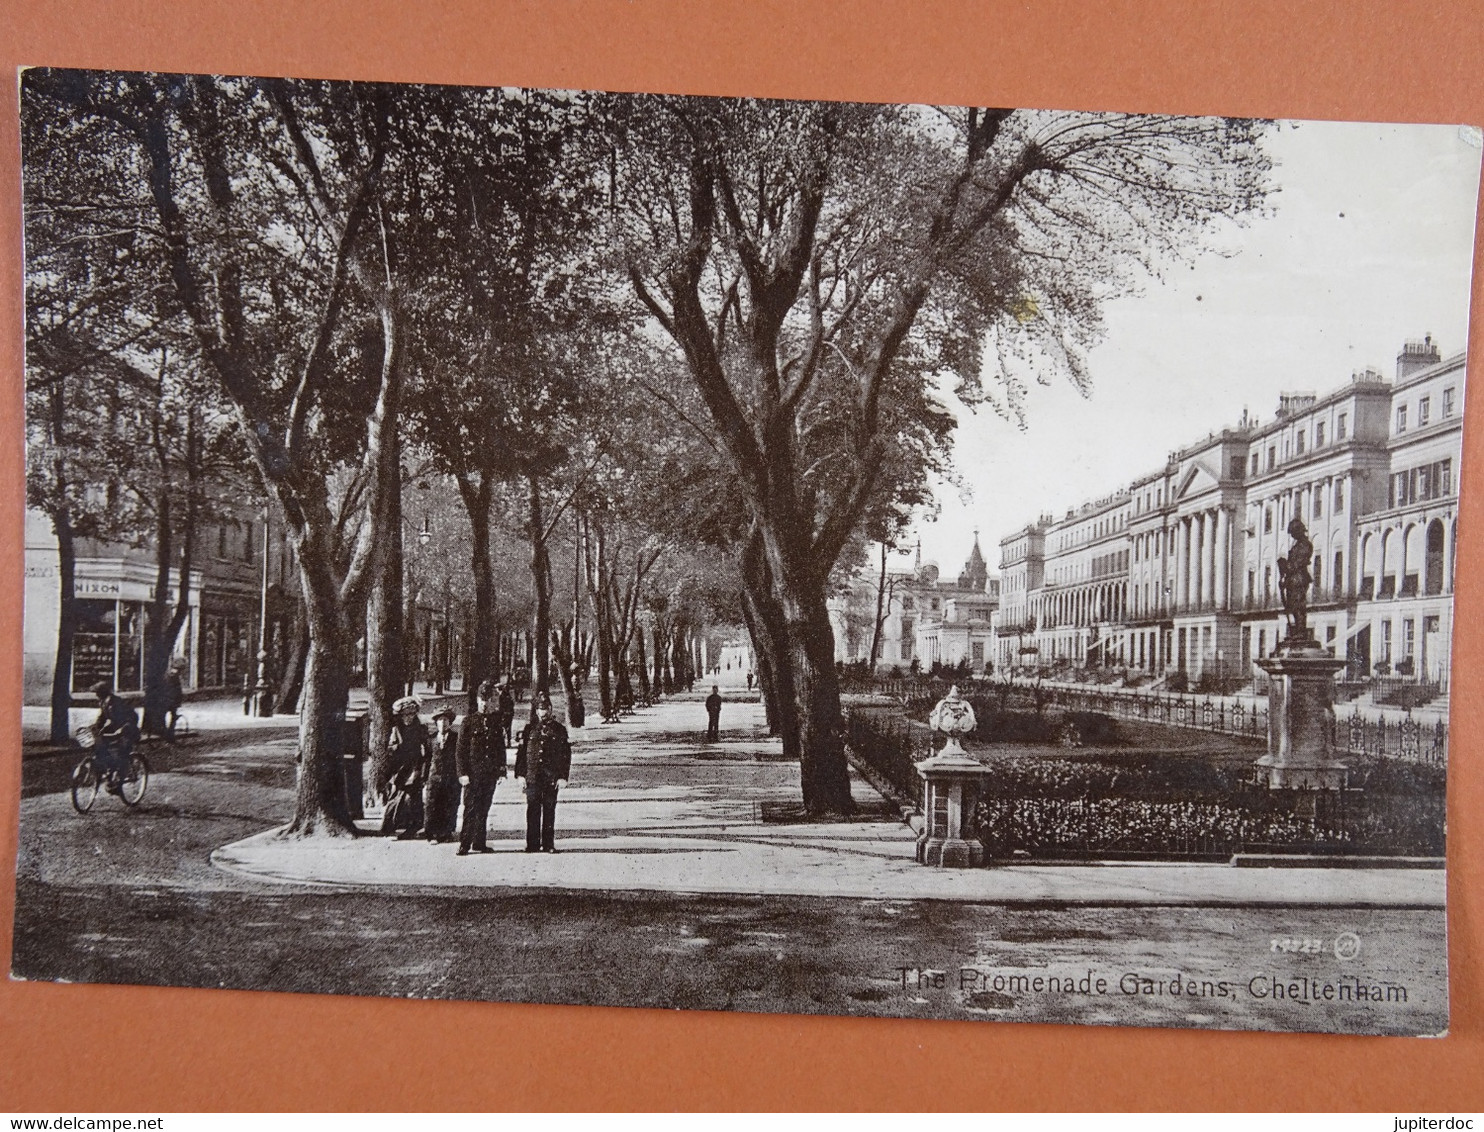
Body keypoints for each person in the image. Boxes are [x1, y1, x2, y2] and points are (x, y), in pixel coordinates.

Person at [514, 691, 571, 853]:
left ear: (551, 709)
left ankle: (548, 844)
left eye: (546, 708)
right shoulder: (529, 729)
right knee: (532, 809)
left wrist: (562, 776)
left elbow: (565, 756)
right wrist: (520, 774)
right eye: (540, 709)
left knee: (549, 810)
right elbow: (521, 754)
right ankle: (532, 843)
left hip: (550, 778)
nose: (543, 712)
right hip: (532, 776)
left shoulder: (559, 730)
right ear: (536, 711)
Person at [455, 680, 507, 855]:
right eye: (482, 699)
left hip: (489, 774)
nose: (485, 703)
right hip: (472, 774)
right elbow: (460, 751)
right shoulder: (468, 722)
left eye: (488, 699)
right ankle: (464, 843)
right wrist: (462, 773)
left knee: (484, 808)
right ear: (477, 700)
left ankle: (479, 842)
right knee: (470, 808)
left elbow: (500, 747)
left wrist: (501, 769)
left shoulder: (495, 722)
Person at [381, 696, 430, 839]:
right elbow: (390, 748)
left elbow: (426, 749)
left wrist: (422, 770)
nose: (409, 717)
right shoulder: (396, 729)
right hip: (399, 768)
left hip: (414, 766)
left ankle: (413, 827)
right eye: (406, 715)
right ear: (401, 716)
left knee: (412, 798)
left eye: (412, 714)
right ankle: (389, 827)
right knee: (396, 797)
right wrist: (395, 748)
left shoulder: (420, 729)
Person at [90, 680, 139, 792]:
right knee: (100, 744)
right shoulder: (103, 702)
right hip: (115, 728)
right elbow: (102, 718)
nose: (96, 695)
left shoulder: (118, 702)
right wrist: (95, 727)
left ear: (104, 692)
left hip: (128, 729)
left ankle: (119, 781)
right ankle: (108, 769)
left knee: (122, 753)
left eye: (98, 692)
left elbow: (131, 717)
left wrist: (123, 729)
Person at [423, 706, 461, 843]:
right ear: (436, 723)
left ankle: (447, 832)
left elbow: (460, 757)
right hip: (434, 777)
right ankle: (431, 832)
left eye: (445, 720)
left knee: (450, 804)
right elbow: (426, 760)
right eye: (439, 720)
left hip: (451, 777)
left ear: (450, 723)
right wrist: (424, 777)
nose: (442, 723)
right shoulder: (431, 739)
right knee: (432, 804)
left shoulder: (456, 739)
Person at [163, 660, 185, 742]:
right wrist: (178, 700)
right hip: (172, 700)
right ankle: (170, 735)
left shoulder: (167, 674)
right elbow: (177, 690)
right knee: (173, 716)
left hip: (165, 699)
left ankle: (165, 733)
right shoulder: (175, 676)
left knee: (165, 715)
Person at [496, 677, 517, 749]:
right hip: (509, 714)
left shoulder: (501, 696)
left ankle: (503, 743)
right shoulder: (507, 695)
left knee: (503, 728)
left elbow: (501, 707)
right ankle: (508, 743)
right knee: (508, 729)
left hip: (504, 714)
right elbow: (512, 704)